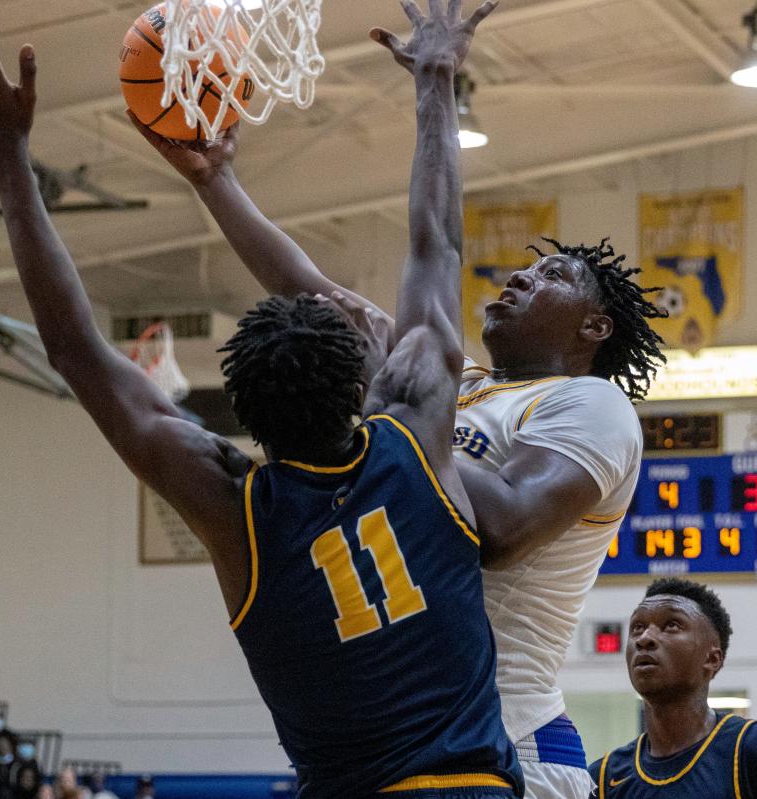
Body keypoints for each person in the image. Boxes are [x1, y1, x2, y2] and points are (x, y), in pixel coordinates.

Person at [0, 0, 522, 797]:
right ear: (364, 383)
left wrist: (7, 152)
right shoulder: (415, 428)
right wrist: (436, 76)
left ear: (241, 414)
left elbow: (75, 351)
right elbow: (436, 243)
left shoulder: (234, 505)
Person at [131, 7, 666, 799]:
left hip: (514, 741)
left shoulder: (591, 407)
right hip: (409, 743)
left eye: (551, 277)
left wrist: (415, 420)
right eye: (523, 269)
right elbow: (317, 294)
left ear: (596, 325)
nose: (519, 277)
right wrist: (218, 182)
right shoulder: (459, 389)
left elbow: (506, 527)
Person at [588, 578, 757, 798]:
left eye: (671, 625)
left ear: (712, 659)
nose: (644, 638)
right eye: (637, 627)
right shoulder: (603, 777)